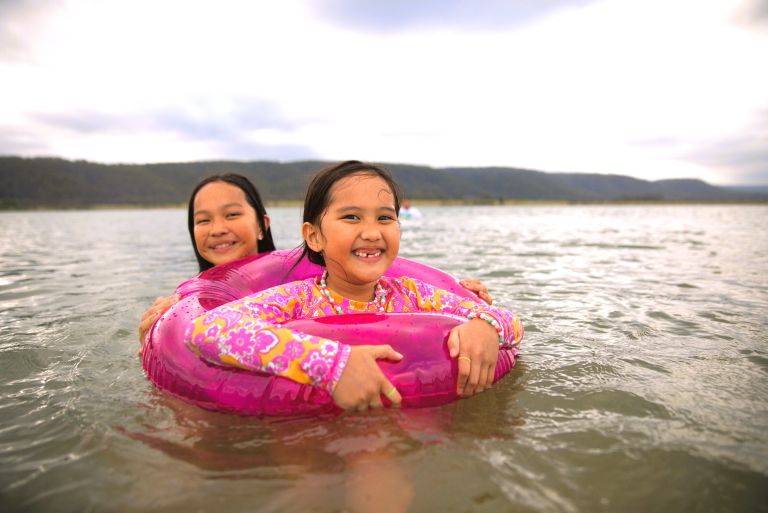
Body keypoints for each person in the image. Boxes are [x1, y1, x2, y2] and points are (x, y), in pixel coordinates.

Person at [184, 161, 523, 411]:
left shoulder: (413, 294)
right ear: (314, 236)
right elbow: (207, 329)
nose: (372, 232)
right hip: (306, 424)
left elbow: (508, 320)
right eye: (351, 217)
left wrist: (485, 326)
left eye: (385, 218)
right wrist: (330, 363)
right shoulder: (295, 300)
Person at [138, 173, 492, 348]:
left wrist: (469, 304)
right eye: (203, 220)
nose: (217, 229)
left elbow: (402, 283)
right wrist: (159, 338)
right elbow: (203, 333)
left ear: (263, 225)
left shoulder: (313, 276)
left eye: (231, 215)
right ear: (314, 235)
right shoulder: (194, 303)